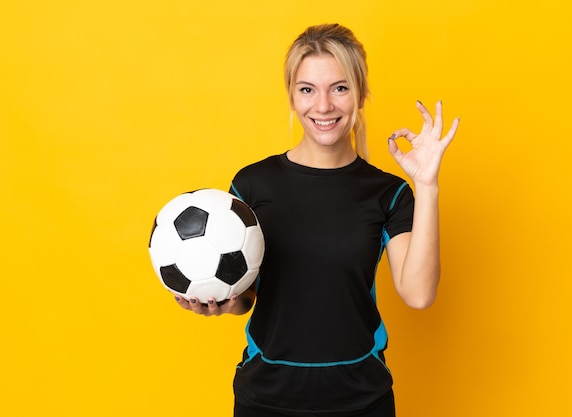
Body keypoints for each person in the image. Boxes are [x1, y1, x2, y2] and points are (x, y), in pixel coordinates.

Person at [174, 23, 460, 417]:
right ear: (292, 96)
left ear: (360, 95)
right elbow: (248, 295)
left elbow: (418, 294)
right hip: (266, 399)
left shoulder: (388, 193)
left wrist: (427, 185)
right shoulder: (252, 185)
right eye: (307, 89)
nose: (323, 105)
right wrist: (222, 302)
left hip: (362, 399)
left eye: (340, 88)